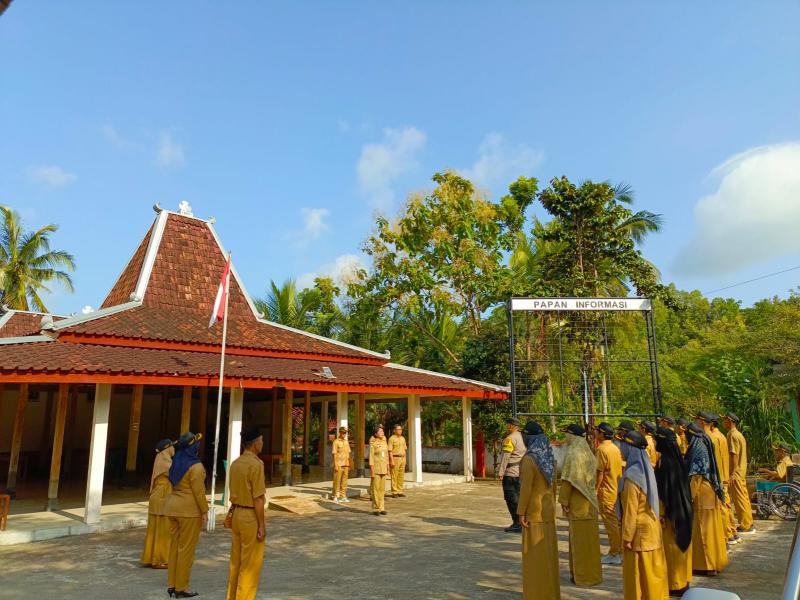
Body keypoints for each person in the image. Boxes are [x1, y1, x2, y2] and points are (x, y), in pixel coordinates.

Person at [618, 430, 668, 600]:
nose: (621, 448)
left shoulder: (631, 477)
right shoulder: (646, 470)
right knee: (654, 576)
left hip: (638, 535)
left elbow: (630, 511)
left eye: (623, 445)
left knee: (639, 579)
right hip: (652, 528)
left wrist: (627, 537)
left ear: (630, 449)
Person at [517, 421, 560, 600]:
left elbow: (526, 488)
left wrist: (521, 512)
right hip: (548, 512)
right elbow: (554, 486)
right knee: (548, 555)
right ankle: (551, 592)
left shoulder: (529, 459)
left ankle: (537, 594)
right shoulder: (549, 456)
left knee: (535, 558)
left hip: (534, 514)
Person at [164, 432, 208, 598]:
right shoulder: (196, 466)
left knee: (174, 548)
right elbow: (199, 492)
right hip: (189, 511)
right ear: (192, 447)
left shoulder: (175, 462)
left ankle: (172, 584)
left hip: (172, 508)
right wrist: (204, 511)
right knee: (186, 550)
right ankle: (182, 587)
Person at [559, 423, 602, 587]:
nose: (566, 437)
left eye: (567, 434)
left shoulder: (573, 452)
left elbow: (568, 480)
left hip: (578, 505)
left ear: (572, 435)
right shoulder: (587, 451)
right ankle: (592, 575)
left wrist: (564, 500)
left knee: (579, 543)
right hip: (590, 502)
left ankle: (583, 577)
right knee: (590, 543)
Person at [226, 428, 267, 600]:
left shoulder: (235, 463)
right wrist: (262, 525)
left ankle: (232, 596)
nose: (262, 444)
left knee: (236, 562)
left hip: (236, 513)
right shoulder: (256, 465)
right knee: (250, 565)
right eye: (261, 441)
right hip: (250, 516)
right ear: (255, 444)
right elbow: (258, 499)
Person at [654, 427, 693, 597]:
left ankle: (675, 584)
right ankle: (683, 581)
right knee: (680, 546)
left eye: (657, 440)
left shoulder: (664, 462)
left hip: (671, 512)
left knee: (672, 547)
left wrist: (662, 513)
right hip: (682, 509)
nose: (655, 442)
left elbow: (663, 491)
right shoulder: (677, 459)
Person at [685, 423, 728, 576]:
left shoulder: (698, 449)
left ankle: (708, 566)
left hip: (702, 493)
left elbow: (696, 476)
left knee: (704, 532)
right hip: (709, 492)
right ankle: (715, 562)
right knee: (712, 531)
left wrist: (689, 497)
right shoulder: (704, 445)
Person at [704, 413, 738, 545]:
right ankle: (732, 532)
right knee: (727, 506)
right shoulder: (722, 436)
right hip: (723, 476)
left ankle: (727, 535)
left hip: (719, 478)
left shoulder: (712, 438)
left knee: (722, 507)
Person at [141, 438, 175, 568]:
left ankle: (151, 558)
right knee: (163, 530)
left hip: (157, 496)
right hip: (162, 496)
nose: (173, 448)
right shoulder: (166, 462)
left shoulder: (160, 459)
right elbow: (176, 475)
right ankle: (160, 559)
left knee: (154, 529)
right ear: (167, 448)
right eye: (172, 446)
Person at [595, 422, 624, 566]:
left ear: (602, 433)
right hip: (615, 487)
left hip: (606, 490)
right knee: (615, 522)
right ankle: (619, 551)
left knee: (611, 523)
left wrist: (596, 489)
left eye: (597, 431)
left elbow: (600, 472)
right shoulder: (614, 447)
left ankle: (615, 553)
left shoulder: (601, 449)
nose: (595, 433)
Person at [724, 413, 755, 534]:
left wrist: (733, 472)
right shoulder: (738, 434)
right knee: (744, 498)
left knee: (739, 499)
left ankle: (745, 524)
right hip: (740, 472)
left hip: (736, 473)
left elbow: (734, 455)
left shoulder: (732, 435)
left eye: (725, 420)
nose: (723, 422)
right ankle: (748, 522)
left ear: (730, 421)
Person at [498, 417, 527, 533]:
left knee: (511, 499)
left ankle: (517, 523)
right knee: (520, 498)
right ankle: (523, 521)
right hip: (522, 472)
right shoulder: (524, 437)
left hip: (510, 473)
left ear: (511, 426)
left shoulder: (510, 439)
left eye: (508, 425)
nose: (507, 427)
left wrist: (501, 472)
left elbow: (506, 457)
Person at [369, 425, 389, 516]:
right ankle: (376, 508)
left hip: (384, 468)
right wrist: (372, 471)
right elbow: (371, 458)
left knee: (382, 489)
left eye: (382, 431)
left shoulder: (384, 443)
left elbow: (386, 456)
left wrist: (388, 468)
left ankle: (382, 508)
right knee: (375, 489)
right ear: (376, 434)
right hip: (376, 469)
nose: (382, 432)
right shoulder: (373, 444)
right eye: (380, 431)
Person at [332, 427, 352, 503]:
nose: (344, 434)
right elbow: (334, 454)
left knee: (344, 481)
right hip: (339, 464)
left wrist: (349, 464)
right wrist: (335, 465)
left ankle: (343, 495)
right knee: (337, 481)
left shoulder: (346, 442)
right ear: (340, 432)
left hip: (346, 464)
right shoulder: (336, 442)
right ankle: (335, 495)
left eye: (345, 433)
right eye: (343, 432)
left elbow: (348, 453)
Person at [388, 424, 408, 498]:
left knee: (401, 475)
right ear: (394, 430)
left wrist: (405, 459)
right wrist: (391, 461)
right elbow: (390, 451)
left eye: (401, 429)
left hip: (402, 458)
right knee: (394, 475)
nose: (400, 431)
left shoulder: (403, 438)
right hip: (395, 458)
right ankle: (394, 492)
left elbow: (405, 450)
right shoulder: (391, 439)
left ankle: (400, 491)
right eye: (398, 429)